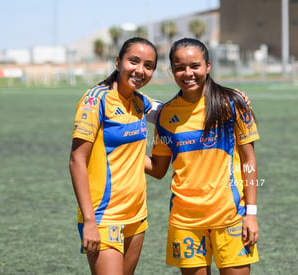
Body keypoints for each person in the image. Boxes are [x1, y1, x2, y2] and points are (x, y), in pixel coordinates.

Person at [145, 38, 260, 275]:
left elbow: (249, 161)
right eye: (180, 68)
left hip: (231, 216)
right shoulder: (166, 115)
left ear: (208, 66)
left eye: (195, 66)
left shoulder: (233, 103)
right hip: (185, 220)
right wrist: (126, 151)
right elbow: (157, 170)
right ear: (172, 71)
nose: (188, 73)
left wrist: (251, 213)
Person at [69, 37, 159, 275]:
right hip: (103, 216)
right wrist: (89, 221)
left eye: (148, 66)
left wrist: (228, 98)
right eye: (134, 61)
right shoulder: (95, 99)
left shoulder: (142, 103)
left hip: (137, 215)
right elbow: (77, 160)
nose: (140, 70)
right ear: (118, 62)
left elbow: (176, 110)